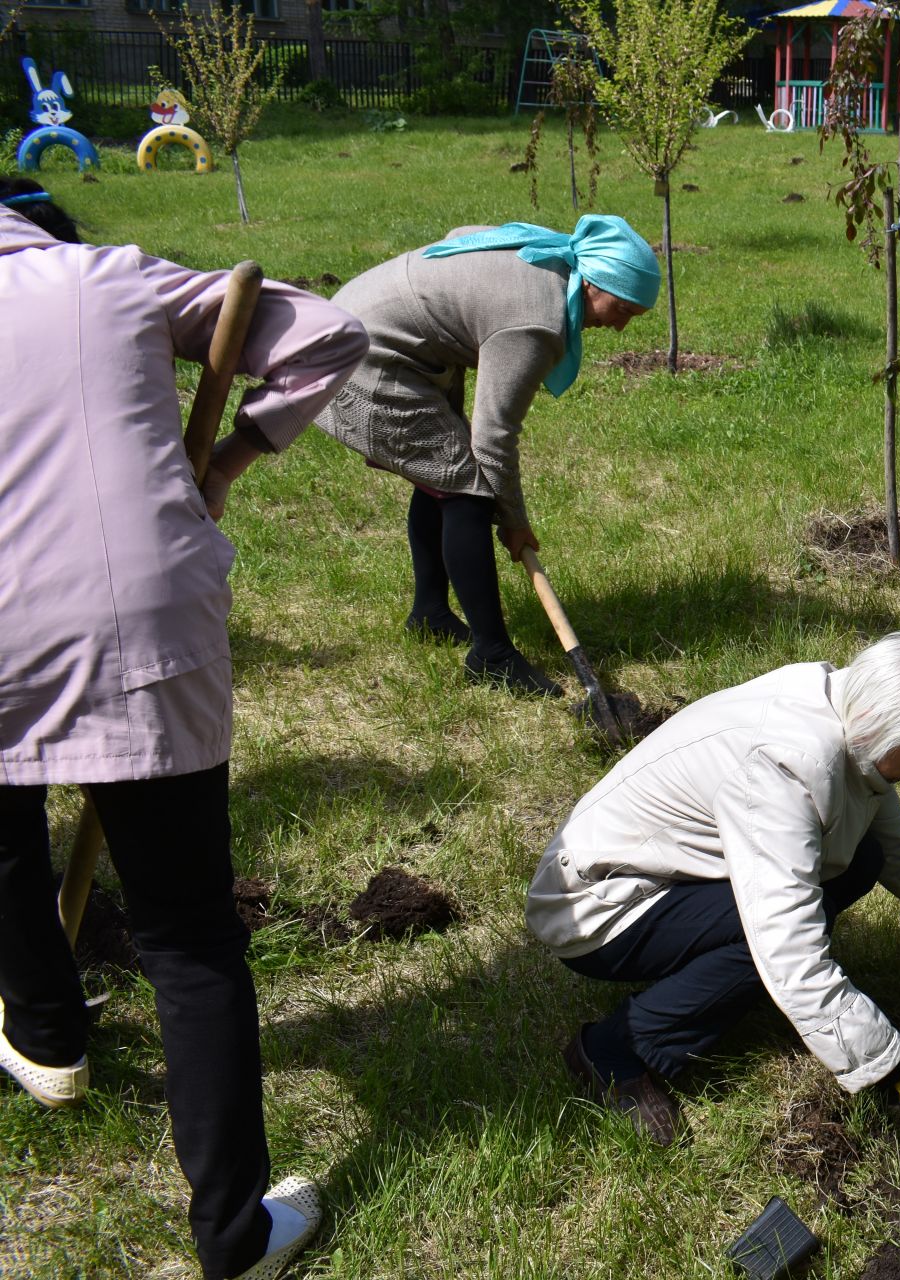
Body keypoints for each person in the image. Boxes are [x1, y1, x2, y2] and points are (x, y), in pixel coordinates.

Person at [0, 180, 369, 1279]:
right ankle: (234, 1238)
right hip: (132, 616)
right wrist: (226, 459)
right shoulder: (107, 276)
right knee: (186, 934)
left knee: (4, 853)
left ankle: (47, 1039)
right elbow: (326, 330)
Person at [524, 634, 900, 1143]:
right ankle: (619, 1048)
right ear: (881, 728)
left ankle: (694, 982)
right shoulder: (786, 765)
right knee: (765, 940)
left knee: (862, 856)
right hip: (597, 906)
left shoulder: (847, 718)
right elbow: (789, 950)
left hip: (663, 873)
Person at [315, 215, 659, 697]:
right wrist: (513, 520)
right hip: (362, 353)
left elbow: (460, 237)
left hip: (369, 326)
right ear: (593, 282)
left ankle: (431, 615)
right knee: (466, 490)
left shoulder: (545, 255)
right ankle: (492, 655)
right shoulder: (536, 321)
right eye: (621, 308)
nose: (620, 327)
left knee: (439, 473)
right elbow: (494, 438)